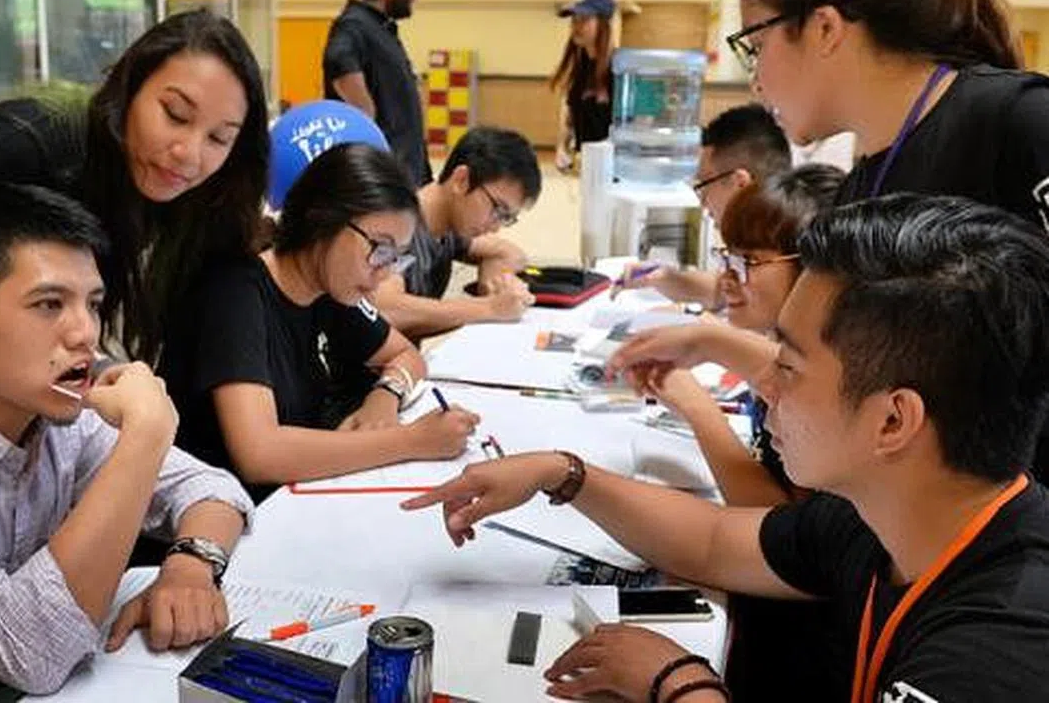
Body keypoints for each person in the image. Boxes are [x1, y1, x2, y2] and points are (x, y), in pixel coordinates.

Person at [404, 194, 1049, 702]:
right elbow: (712, 540)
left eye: (787, 366)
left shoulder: (993, 656)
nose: (765, 387)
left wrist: (683, 684)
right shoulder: (893, 514)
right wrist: (562, 474)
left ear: (893, 421)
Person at [0, 184, 253, 699]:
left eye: (92, 304)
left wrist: (189, 565)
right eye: (49, 304)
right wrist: (145, 436)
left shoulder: (59, 413)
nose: (85, 334)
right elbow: (30, 652)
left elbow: (213, 489)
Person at [0, 9, 269, 369]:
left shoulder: (200, 202)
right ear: (129, 87)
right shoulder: (26, 145)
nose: (188, 154)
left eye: (219, 138)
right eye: (175, 114)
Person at [161, 144, 478, 505]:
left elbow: (406, 355)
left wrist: (386, 394)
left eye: (396, 257)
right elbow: (259, 454)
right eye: (380, 249)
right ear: (321, 219)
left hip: (292, 500)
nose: (385, 272)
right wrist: (412, 441)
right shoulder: (234, 291)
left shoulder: (328, 286)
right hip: (219, 515)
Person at [734, 0, 1049, 225]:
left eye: (757, 47)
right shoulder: (856, 193)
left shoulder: (1024, 120)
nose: (756, 82)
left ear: (825, 29)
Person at [651, 163, 843, 508]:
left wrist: (698, 409)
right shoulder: (779, 349)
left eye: (748, 262)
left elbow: (782, 524)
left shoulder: (824, 383)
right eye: (727, 258)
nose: (726, 279)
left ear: (810, 267)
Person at [614, 103, 792, 308]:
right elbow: (720, 290)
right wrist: (662, 276)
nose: (702, 201)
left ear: (740, 184)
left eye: (704, 185)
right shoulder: (757, 242)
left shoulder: (781, 262)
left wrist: (705, 327)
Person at [374, 126, 543, 339]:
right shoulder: (396, 224)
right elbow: (386, 309)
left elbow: (509, 253)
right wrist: (490, 307)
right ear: (461, 180)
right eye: (497, 210)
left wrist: (497, 286)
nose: (496, 227)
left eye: (506, 218)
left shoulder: (450, 228)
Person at [323, 0, 430, 187]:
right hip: (383, 177)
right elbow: (338, 60)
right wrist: (365, 114)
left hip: (402, 173)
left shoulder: (381, 28)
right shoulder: (354, 25)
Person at [552, 0, 616, 173]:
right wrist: (562, 146)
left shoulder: (617, 68)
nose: (576, 26)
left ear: (603, 24)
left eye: (585, 19)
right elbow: (571, 113)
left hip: (611, 169)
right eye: (574, 20)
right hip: (586, 166)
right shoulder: (580, 68)